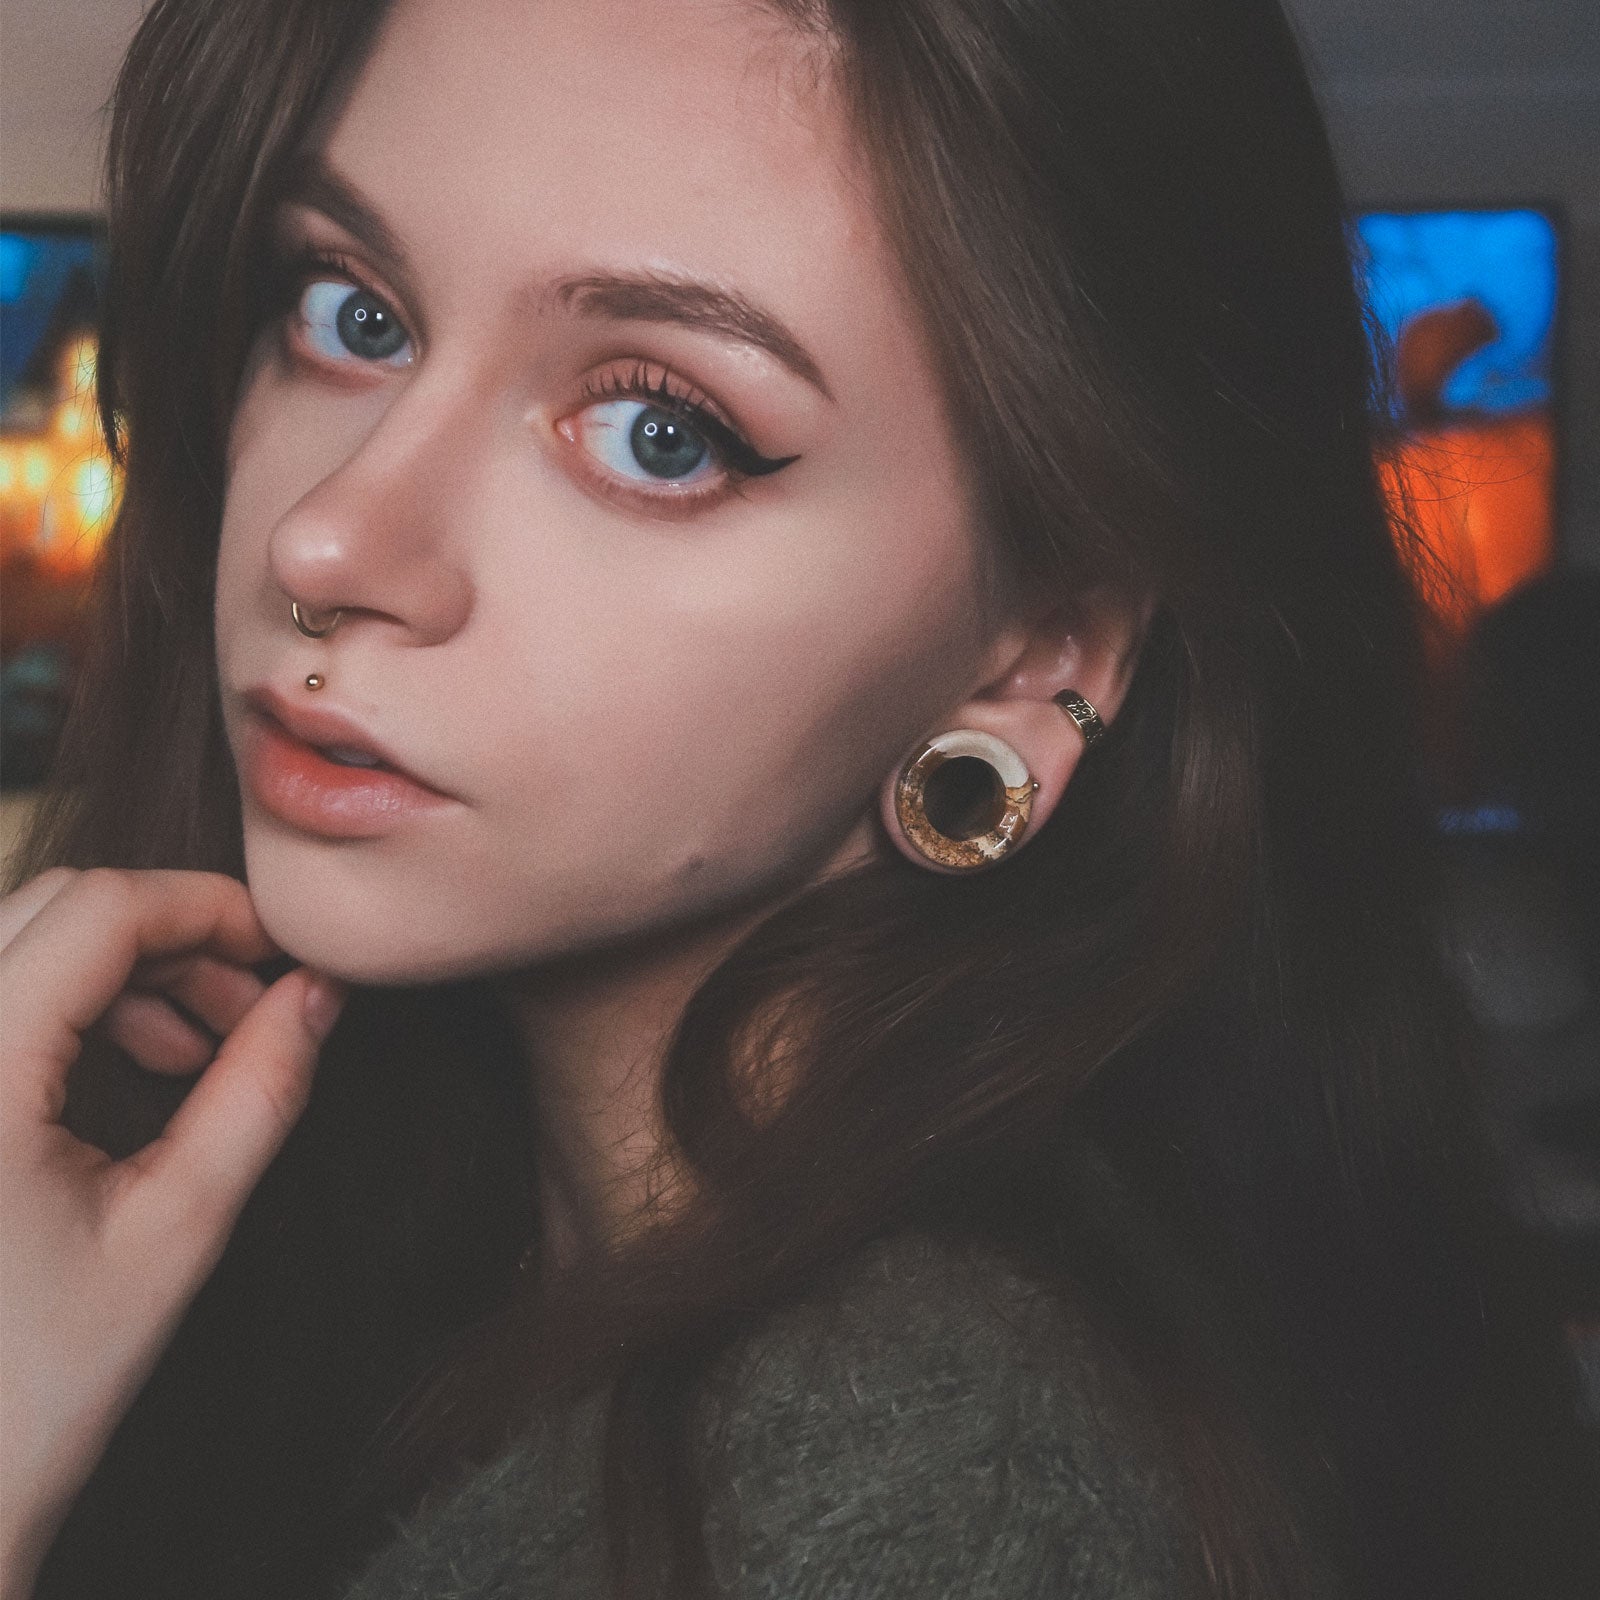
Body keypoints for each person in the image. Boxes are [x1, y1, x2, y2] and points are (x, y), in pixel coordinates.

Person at [1, 0, 1596, 1596]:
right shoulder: (445, 1258)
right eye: (352, 314)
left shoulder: (933, 1501)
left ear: (1030, 660)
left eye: (659, 433)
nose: (329, 540)